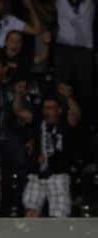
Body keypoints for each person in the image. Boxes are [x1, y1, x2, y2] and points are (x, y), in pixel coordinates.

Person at [14, 83, 81, 217]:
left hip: (59, 176)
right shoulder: (39, 121)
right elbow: (19, 111)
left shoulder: (65, 123)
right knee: (30, 213)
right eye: (45, 108)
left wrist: (68, 98)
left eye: (51, 108)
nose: (46, 111)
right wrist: (18, 94)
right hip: (37, 175)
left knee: (58, 218)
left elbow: (76, 114)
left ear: (59, 110)